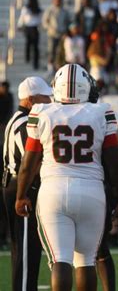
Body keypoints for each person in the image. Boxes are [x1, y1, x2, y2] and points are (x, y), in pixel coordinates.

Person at [15, 64, 118, 291]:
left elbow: (29, 163)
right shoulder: (101, 111)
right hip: (91, 191)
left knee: (60, 259)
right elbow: (116, 164)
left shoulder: (40, 112)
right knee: (86, 261)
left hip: (53, 191)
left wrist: (21, 195)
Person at [2, 76, 51, 291]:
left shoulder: (16, 119)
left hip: (16, 185)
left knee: (25, 249)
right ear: (31, 99)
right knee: (25, 251)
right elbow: (29, 164)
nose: (50, 100)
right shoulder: (24, 123)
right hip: (22, 187)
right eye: (44, 96)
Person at [18, 0, 42, 70]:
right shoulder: (26, 8)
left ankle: (35, 63)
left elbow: (40, 19)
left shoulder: (38, 9)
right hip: (28, 28)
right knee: (28, 44)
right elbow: (22, 17)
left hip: (35, 29)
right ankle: (27, 58)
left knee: (35, 47)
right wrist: (20, 25)